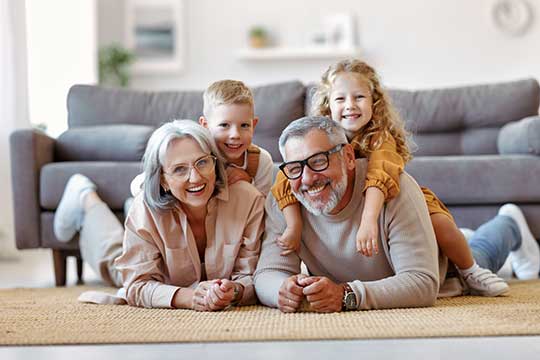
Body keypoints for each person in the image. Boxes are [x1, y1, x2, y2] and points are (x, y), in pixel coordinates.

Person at [270, 59, 516, 296]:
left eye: (359, 97)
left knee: (447, 230)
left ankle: (477, 262)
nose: (350, 105)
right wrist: (294, 226)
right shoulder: (316, 140)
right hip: (367, 214)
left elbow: (378, 177)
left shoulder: (379, 138)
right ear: (328, 105)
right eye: (340, 98)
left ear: (374, 102)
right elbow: (286, 179)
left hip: (392, 200)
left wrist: (369, 220)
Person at [254, 116, 540, 312]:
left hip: (447, 271)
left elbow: (422, 282)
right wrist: (282, 289)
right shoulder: (285, 199)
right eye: (294, 168)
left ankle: (510, 224)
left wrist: (346, 295)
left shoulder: (393, 188)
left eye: (318, 161)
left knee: (480, 254)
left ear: (349, 158)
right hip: (402, 249)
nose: (307, 179)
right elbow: (268, 273)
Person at [53, 120, 265, 310]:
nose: (195, 178)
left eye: (202, 162)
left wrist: (235, 290)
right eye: (180, 169)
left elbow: (251, 277)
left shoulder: (248, 201)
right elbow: (136, 285)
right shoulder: (144, 208)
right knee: (114, 265)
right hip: (153, 230)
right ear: (163, 179)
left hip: (160, 241)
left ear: (215, 163)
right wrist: (189, 297)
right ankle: (85, 196)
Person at [130, 80, 274, 198]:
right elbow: (137, 186)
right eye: (224, 125)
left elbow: (265, 209)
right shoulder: (196, 155)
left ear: (253, 125)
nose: (235, 134)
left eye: (244, 125)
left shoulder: (260, 160)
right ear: (205, 125)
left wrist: (248, 182)